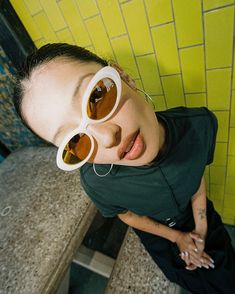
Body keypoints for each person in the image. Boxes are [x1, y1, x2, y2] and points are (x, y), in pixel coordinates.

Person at [13, 43, 235, 293]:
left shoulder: (199, 125)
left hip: (199, 213)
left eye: (97, 96)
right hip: (159, 237)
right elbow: (127, 214)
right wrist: (177, 238)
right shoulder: (97, 182)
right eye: (73, 141)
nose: (108, 138)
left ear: (122, 76)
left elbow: (195, 176)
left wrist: (201, 226)